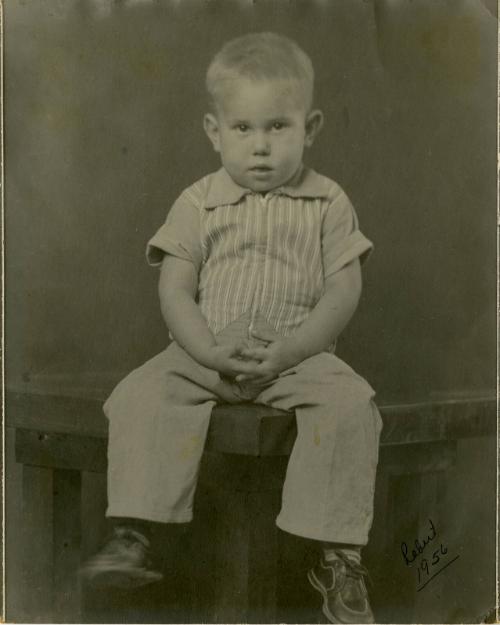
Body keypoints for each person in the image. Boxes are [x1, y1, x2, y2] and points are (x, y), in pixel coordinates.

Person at [81, 32, 383, 624]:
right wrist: (207, 350)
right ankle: (134, 532)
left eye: (279, 127)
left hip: (297, 353)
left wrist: (295, 347)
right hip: (208, 350)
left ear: (311, 127)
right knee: (142, 393)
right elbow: (174, 287)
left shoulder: (327, 201)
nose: (262, 148)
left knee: (352, 404)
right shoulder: (198, 202)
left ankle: (337, 556)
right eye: (243, 129)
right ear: (215, 132)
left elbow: (344, 290)